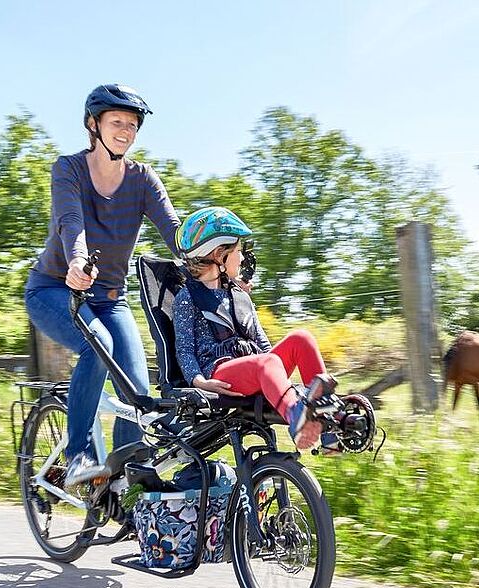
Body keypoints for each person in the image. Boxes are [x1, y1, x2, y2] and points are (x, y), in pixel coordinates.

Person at [24, 84, 183, 486]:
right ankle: (79, 456)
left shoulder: (142, 180)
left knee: (137, 393)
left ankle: (120, 483)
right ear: (93, 125)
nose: (126, 131)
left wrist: (217, 258)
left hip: (111, 299)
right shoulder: (69, 169)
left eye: (132, 125)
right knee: (98, 344)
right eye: (117, 122)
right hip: (54, 289)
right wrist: (77, 261)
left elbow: (175, 233)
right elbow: (70, 222)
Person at [171, 206, 337, 451]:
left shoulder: (239, 295)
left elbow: (263, 346)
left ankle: (330, 426)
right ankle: (296, 416)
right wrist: (199, 381)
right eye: (238, 251)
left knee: (301, 339)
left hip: (255, 366)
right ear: (219, 254)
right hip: (219, 372)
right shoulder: (187, 298)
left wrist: (276, 373)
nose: (242, 258)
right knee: (266, 362)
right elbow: (184, 349)